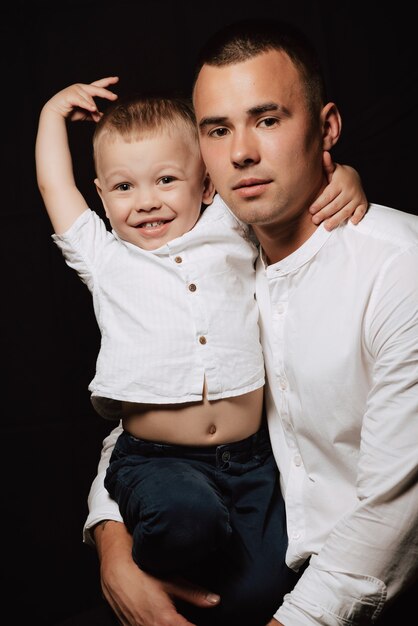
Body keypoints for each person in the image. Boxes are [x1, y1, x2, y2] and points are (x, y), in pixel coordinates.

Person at [85, 16, 418, 626]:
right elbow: (156, 407)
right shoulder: (223, 266)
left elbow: (397, 513)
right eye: (218, 129)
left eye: (267, 120)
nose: (241, 151)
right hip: (232, 579)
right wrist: (111, 542)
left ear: (327, 128)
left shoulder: (401, 272)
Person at [35, 75, 366, 626]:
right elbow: (53, 187)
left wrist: (344, 176)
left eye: (166, 180)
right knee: (187, 521)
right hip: (159, 462)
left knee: (268, 588)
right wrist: (51, 115)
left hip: (253, 462)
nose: (145, 202)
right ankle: (156, 568)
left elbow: (291, 188)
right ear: (101, 195)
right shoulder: (104, 257)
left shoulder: (231, 227)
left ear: (206, 185)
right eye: (123, 188)